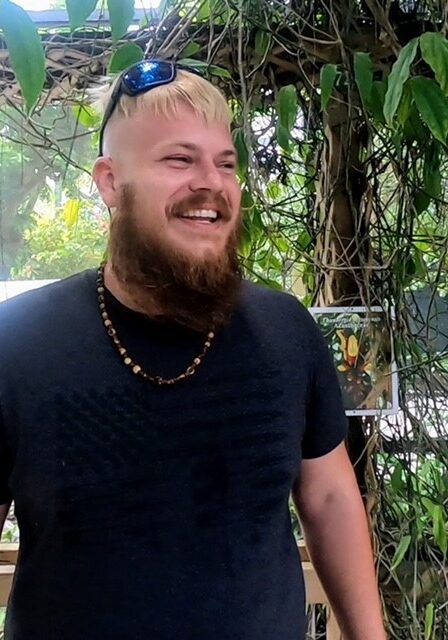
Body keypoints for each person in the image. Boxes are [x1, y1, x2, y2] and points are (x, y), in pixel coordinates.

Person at [0, 59, 386, 640]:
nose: (212, 182)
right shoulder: (18, 343)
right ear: (109, 181)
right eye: (179, 159)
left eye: (225, 163)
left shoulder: (286, 332)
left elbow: (329, 496)